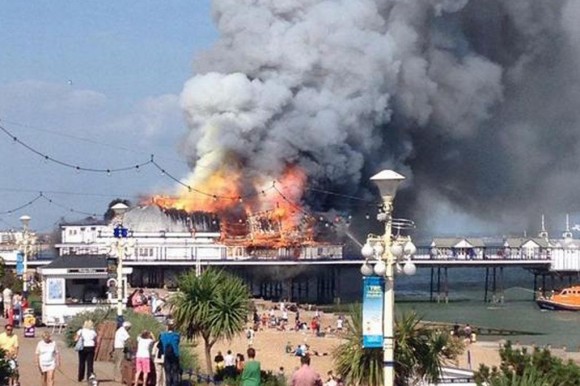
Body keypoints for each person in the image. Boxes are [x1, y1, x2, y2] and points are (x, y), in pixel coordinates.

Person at [159, 320, 180, 386]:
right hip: (175, 355)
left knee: (167, 372)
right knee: (175, 372)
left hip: (166, 355)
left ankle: (168, 384)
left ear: (167, 327)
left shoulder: (163, 335)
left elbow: (161, 341)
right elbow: (178, 342)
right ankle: (175, 384)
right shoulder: (176, 335)